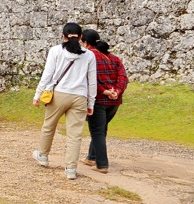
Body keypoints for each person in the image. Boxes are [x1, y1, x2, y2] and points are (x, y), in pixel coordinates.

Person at [32, 22, 98, 180]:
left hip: (59, 94)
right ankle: (71, 169)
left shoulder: (56, 51)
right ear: (81, 37)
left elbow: (47, 75)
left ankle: (43, 155)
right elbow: (92, 81)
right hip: (80, 96)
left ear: (63, 35)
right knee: (75, 135)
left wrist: (37, 95)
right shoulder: (89, 55)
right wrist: (91, 103)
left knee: (49, 126)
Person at [81, 29, 128, 174]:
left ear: (86, 43)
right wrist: (116, 91)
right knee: (101, 129)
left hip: (99, 99)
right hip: (114, 101)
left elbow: (91, 79)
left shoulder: (89, 56)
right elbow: (123, 78)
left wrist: (104, 91)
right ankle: (92, 156)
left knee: (97, 131)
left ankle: (102, 164)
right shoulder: (114, 58)